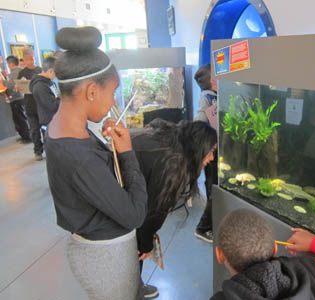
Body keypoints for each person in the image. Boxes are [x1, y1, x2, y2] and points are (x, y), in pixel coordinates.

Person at [45, 26, 148, 300]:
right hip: (106, 258)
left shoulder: (63, 124)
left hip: (96, 249)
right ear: (91, 91)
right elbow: (135, 215)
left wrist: (109, 146)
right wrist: (127, 153)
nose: (114, 100)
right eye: (113, 92)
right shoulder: (78, 157)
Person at [101, 117, 217, 298]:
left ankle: (134, 286)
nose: (211, 158)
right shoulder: (174, 165)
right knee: (135, 252)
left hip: (117, 187)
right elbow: (154, 213)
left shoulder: (170, 136)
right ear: (199, 148)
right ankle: (132, 291)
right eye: (211, 151)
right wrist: (146, 244)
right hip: (119, 201)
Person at [194, 64, 218, 243]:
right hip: (211, 153)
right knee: (213, 191)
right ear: (213, 81)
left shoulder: (211, 96)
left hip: (214, 152)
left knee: (214, 188)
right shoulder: (207, 98)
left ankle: (211, 223)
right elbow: (199, 122)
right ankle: (203, 228)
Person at [17, 48, 42, 160]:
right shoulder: (22, 73)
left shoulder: (40, 70)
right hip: (29, 105)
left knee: (46, 129)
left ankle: (50, 149)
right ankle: (38, 151)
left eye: (31, 59)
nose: (29, 61)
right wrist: (18, 87)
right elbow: (19, 87)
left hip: (41, 104)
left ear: (34, 58)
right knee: (34, 130)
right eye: (27, 59)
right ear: (24, 60)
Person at [2, 55, 31, 142]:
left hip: (17, 99)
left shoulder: (15, 72)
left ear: (11, 64)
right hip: (20, 98)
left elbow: (10, 85)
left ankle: (27, 137)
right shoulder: (20, 71)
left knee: (20, 118)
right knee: (19, 118)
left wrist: (2, 81)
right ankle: (24, 135)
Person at [29, 56, 59, 128]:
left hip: (55, 118)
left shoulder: (49, 81)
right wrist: (64, 97)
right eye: (56, 73)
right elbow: (51, 106)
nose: (57, 76)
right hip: (49, 121)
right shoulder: (40, 86)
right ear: (50, 71)